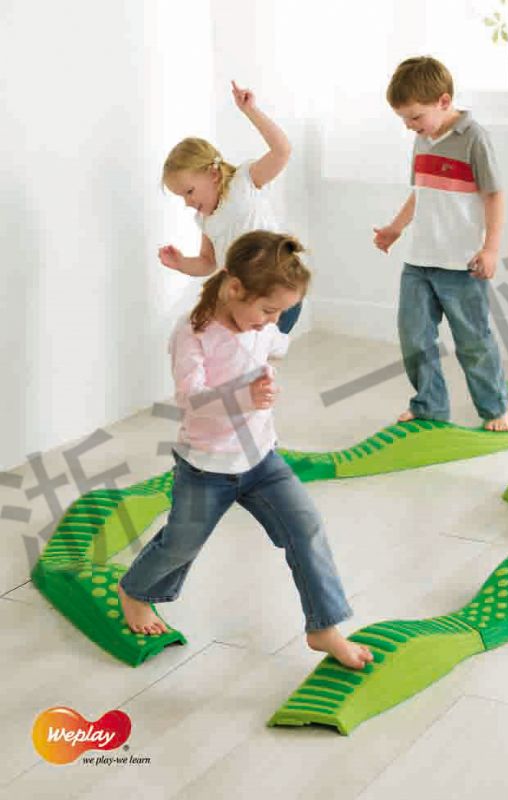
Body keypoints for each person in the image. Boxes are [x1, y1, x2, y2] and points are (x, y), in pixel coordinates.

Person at [118, 230, 372, 670]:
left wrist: (269, 363)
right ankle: (135, 591)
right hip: (206, 467)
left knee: (306, 528)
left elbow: (272, 343)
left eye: (280, 312)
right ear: (234, 288)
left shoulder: (261, 324)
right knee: (180, 545)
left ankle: (324, 627)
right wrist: (245, 396)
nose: (273, 320)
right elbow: (190, 398)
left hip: (261, 459)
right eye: (269, 310)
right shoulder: (193, 333)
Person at [373, 57, 508, 431]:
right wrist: (395, 228)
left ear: (444, 101)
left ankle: (495, 407)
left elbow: (495, 195)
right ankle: (430, 405)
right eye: (404, 119)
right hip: (419, 260)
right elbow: (421, 192)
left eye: (415, 117)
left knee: (472, 341)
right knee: (414, 337)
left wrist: (491, 249)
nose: (410, 125)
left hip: (462, 264)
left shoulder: (474, 138)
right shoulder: (422, 139)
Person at [158, 81, 302, 334]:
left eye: (189, 191)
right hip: (247, 301)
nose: (187, 202)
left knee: (255, 349)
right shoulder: (205, 219)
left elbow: (282, 151)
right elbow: (208, 262)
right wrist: (181, 263)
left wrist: (250, 110)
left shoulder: (244, 183)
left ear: (213, 175)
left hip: (277, 289)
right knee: (245, 351)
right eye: (181, 197)